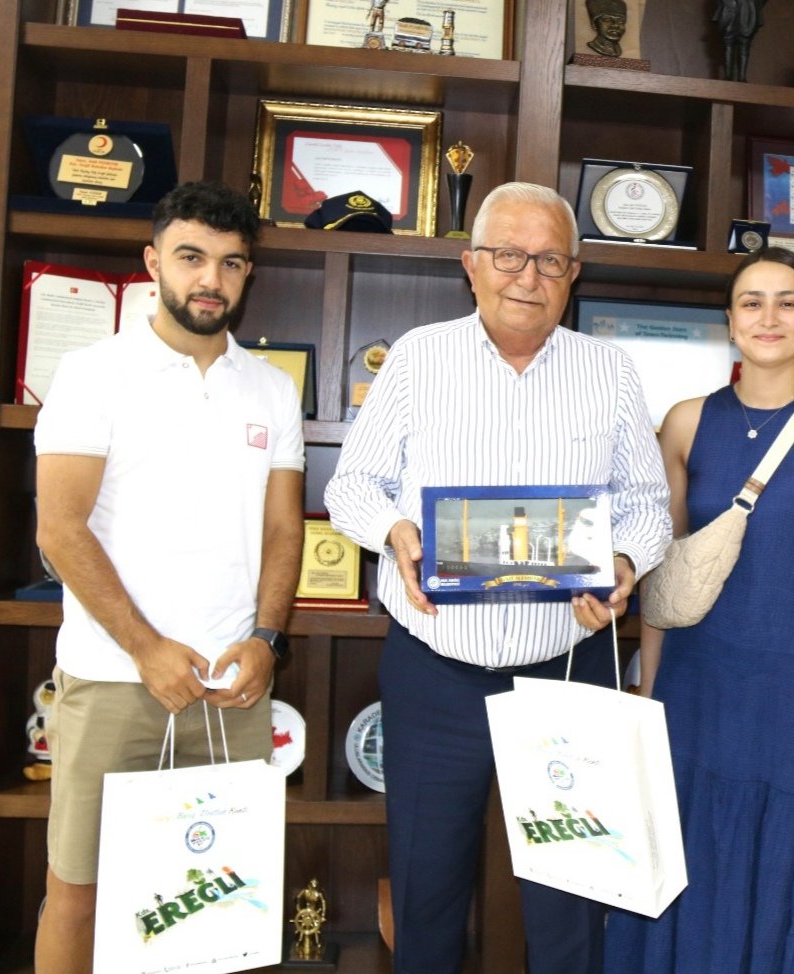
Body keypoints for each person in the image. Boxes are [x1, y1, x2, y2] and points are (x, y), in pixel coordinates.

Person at [324, 181, 672, 974]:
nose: (527, 276)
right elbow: (352, 487)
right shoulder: (417, 358)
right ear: (470, 265)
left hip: (567, 669)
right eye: (508, 255)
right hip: (435, 672)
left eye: (549, 260)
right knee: (426, 895)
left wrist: (622, 563)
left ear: (573, 273)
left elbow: (646, 505)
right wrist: (394, 532)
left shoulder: (610, 371)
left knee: (571, 900)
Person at [31, 180, 305, 974]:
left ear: (247, 273)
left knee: (220, 898)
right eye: (191, 257)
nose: (210, 279)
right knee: (79, 895)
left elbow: (283, 530)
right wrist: (146, 648)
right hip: (113, 681)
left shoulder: (272, 388)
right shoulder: (93, 373)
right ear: (153, 262)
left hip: (231, 687)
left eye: (231, 263)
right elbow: (60, 527)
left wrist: (266, 640)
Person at [605, 246, 794, 974]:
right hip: (695, 692)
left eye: (788, 302)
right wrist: (648, 692)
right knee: (686, 867)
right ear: (729, 322)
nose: (769, 317)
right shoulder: (685, 423)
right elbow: (663, 573)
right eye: (751, 302)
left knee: (789, 884)